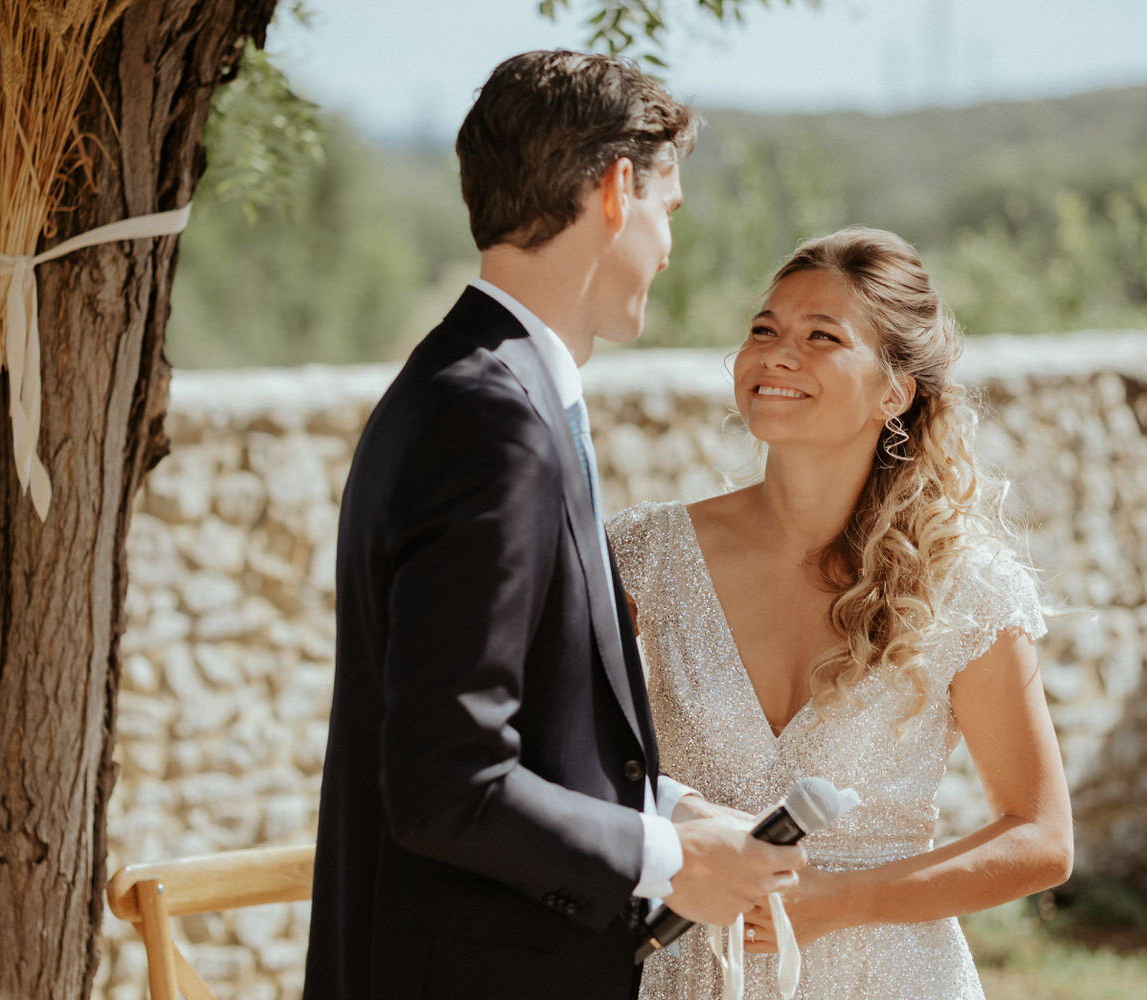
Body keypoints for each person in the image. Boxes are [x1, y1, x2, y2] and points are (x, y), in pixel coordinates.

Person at [301, 50, 806, 1000]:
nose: (668, 246)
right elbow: (448, 784)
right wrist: (670, 862)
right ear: (615, 191)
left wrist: (668, 810)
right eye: (667, 208)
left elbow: (528, 723)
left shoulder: (475, 387)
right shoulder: (490, 422)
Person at [608, 227, 1075, 1000]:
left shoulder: (965, 586)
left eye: (821, 337)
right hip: (688, 973)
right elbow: (561, 752)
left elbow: (1041, 837)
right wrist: (677, 820)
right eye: (764, 330)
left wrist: (842, 902)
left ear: (895, 391)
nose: (777, 355)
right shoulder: (643, 555)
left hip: (891, 978)